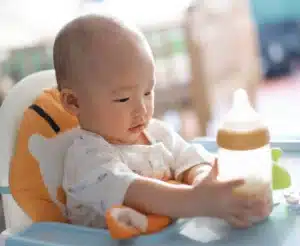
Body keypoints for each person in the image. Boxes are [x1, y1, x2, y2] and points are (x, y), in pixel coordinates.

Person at [53, 14, 271, 230]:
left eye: (148, 92)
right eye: (123, 98)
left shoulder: (156, 132)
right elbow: (137, 191)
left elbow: (188, 156)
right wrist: (199, 200)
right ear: (74, 102)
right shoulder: (86, 159)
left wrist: (203, 181)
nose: (142, 108)